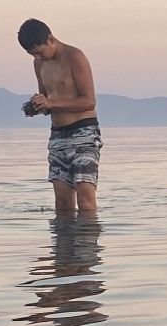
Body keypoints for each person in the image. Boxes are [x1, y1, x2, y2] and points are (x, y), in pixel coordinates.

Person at [18, 18, 102, 211]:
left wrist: (50, 102)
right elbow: (46, 101)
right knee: (62, 203)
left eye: (39, 52)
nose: (38, 57)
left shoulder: (75, 56)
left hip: (84, 134)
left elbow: (89, 101)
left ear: (50, 39)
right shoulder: (39, 64)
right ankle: (63, 242)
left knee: (85, 201)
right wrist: (35, 107)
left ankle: (87, 241)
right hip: (58, 136)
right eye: (32, 54)